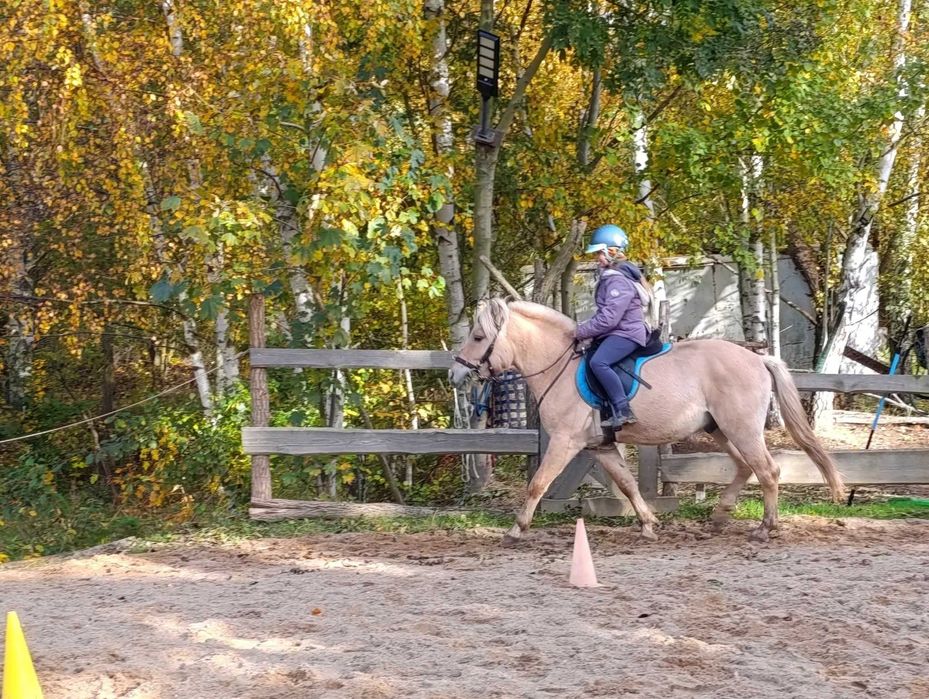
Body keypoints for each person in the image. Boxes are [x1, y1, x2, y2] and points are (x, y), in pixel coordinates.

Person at [574, 224, 648, 430]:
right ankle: (605, 408)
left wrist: (580, 331)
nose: (597, 258)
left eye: (600, 252)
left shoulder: (618, 280)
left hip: (627, 333)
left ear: (612, 251)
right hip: (618, 331)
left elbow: (609, 319)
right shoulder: (614, 276)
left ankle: (623, 409)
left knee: (599, 362)